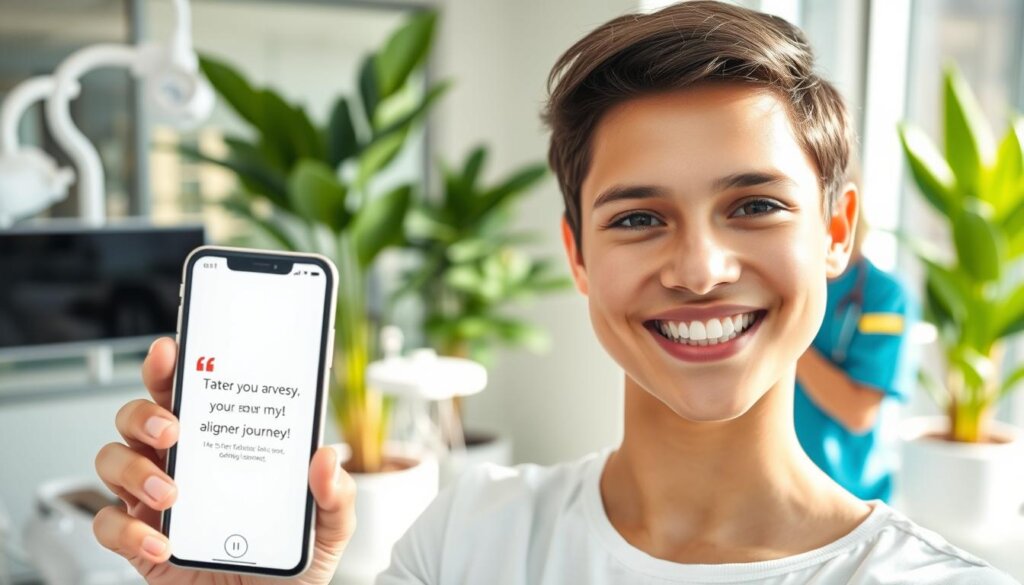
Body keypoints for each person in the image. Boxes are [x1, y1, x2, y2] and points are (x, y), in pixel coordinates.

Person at [93, 2, 1018, 583]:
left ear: (837, 231)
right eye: (638, 218)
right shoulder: (466, 538)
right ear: (577, 255)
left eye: (756, 205)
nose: (699, 268)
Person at [795, 210, 919, 503]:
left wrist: (787, 336)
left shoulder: (885, 295)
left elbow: (858, 411)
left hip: (848, 492)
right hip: (771, 494)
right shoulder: (779, 287)